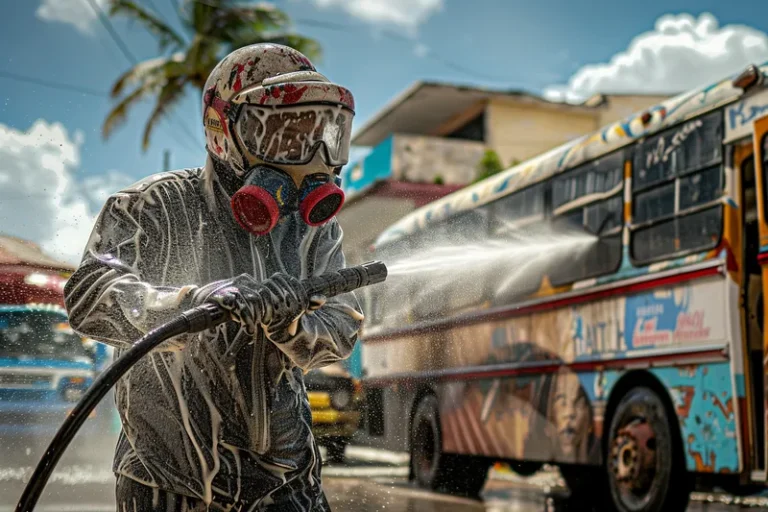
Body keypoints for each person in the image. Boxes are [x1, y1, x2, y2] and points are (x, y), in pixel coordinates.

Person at [64, 43, 363, 511]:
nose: (310, 153)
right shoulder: (152, 206)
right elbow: (89, 296)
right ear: (225, 130)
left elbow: (342, 327)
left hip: (288, 482)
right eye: (287, 134)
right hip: (170, 484)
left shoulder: (314, 229)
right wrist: (186, 304)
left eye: (322, 134)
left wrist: (289, 326)